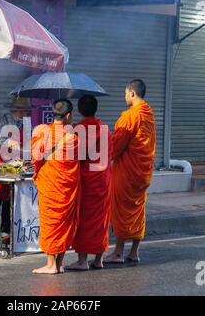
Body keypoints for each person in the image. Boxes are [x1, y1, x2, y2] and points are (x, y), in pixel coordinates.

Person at [104, 79, 156, 264]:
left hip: (127, 171)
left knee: (123, 210)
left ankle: (118, 252)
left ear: (132, 93)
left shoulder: (130, 116)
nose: (125, 97)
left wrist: (105, 152)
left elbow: (118, 145)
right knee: (138, 210)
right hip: (143, 171)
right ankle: (134, 252)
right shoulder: (149, 114)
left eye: (125, 93)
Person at [31, 99, 80, 274]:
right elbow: (74, 164)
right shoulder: (73, 138)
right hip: (65, 186)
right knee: (64, 222)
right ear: (68, 116)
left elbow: (35, 157)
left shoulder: (42, 132)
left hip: (50, 183)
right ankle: (59, 263)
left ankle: (50, 264)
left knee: (50, 221)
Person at [65, 95, 112, 271]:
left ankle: (82, 260)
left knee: (84, 220)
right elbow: (111, 153)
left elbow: (76, 156)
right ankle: (99, 259)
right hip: (104, 179)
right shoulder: (105, 129)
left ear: (78, 110)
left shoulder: (78, 130)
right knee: (101, 220)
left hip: (87, 180)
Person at [0, 97, 32, 242]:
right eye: (25, 111)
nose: (27, 114)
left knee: (11, 195)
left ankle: (5, 231)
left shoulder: (26, 124)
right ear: (17, 110)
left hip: (15, 163)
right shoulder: (1, 120)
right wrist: (6, 142)